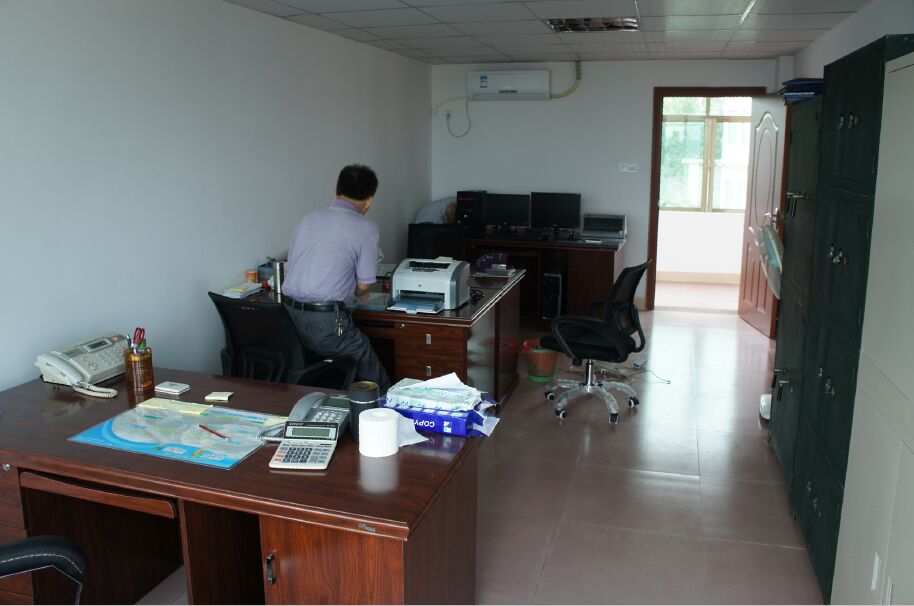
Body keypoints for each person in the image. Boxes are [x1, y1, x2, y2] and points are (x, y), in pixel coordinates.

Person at [282, 164, 391, 393]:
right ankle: (385, 405)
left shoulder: (308, 218)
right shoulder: (366, 227)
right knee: (364, 355)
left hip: (288, 318)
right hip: (326, 324)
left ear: (336, 192)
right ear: (369, 200)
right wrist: (358, 293)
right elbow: (364, 285)